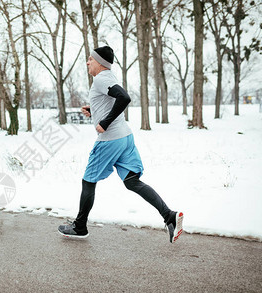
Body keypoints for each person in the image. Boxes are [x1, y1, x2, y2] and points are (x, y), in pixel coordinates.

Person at [58, 46, 183, 243]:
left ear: (99, 62)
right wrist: (95, 110)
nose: (87, 62)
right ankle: (169, 216)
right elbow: (112, 100)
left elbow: (124, 97)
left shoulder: (101, 78)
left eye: (90, 59)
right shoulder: (108, 77)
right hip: (125, 137)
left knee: (88, 180)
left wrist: (104, 123)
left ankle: (80, 226)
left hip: (110, 140)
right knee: (132, 181)